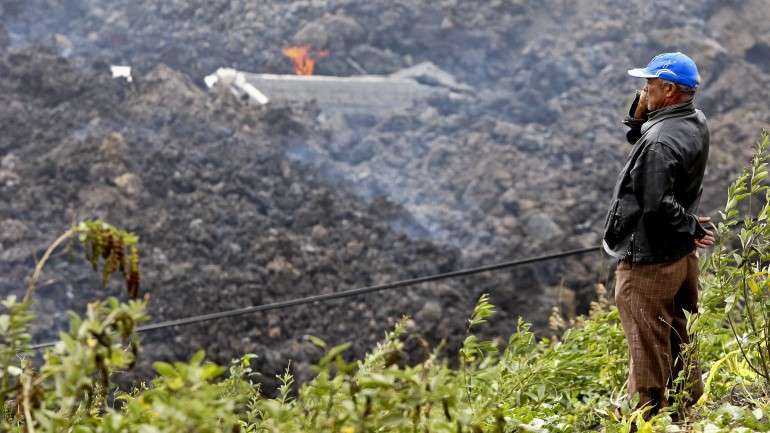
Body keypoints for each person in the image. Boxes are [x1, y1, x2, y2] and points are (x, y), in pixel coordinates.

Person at [602, 52, 716, 415]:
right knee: (675, 334)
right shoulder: (693, 119)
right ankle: (686, 407)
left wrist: (690, 225)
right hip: (677, 257)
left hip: (648, 262)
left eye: (650, 83)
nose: (643, 87)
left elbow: (655, 204)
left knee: (645, 343)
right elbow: (639, 132)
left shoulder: (659, 143)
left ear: (669, 90)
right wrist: (641, 105)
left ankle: (647, 415)